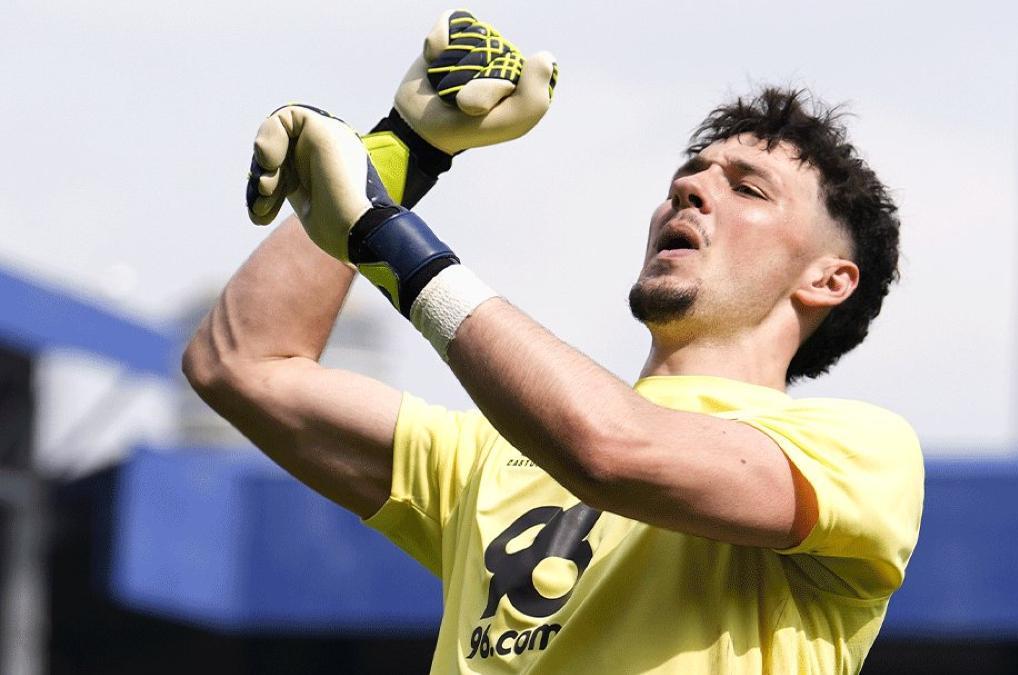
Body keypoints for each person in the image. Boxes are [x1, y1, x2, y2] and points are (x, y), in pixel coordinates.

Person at [184, 10, 923, 674]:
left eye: (748, 188)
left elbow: (610, 450)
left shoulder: (859, 452)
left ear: (830, 279)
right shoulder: (490, 454)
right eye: (687, 177)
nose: (691, 191)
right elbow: (242, 363)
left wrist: (387, 237)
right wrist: (399, 151)